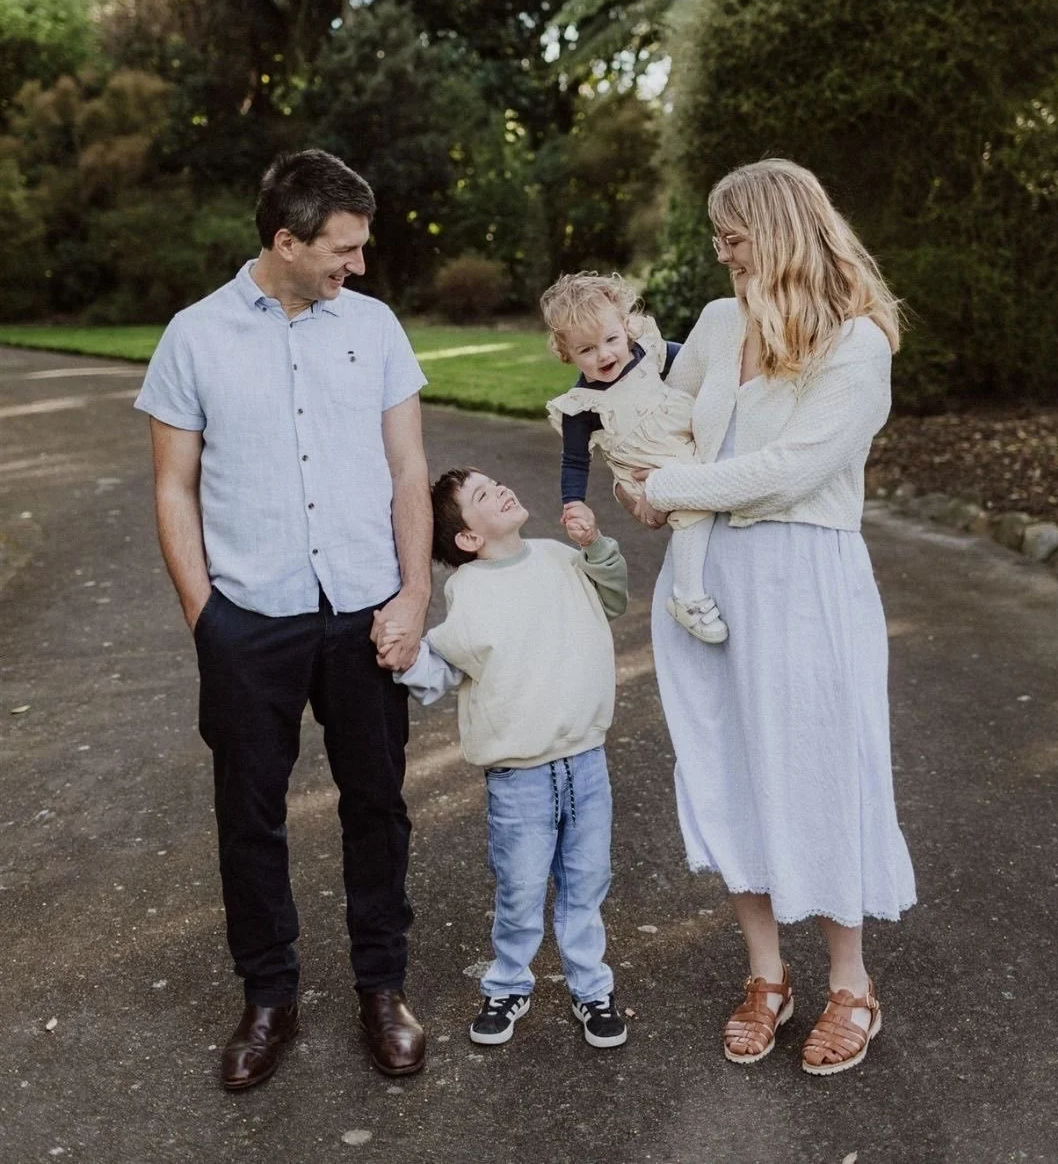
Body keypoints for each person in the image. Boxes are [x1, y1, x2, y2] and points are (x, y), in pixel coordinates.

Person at [134, 149, 432, 1090]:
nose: (357, 264)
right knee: (249, 818)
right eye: (341, 248)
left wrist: (415, 592)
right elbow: (173, 487)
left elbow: (409, 473)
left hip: (363, 613)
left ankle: (383, 990)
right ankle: (269, 997)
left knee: (378, 806)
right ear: (286, 242)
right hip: (249, 621)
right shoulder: (193, 336)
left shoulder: (374, 327)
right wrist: (205, 617)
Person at [621, 159, 916, 1076]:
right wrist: (633, 457)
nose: (721, 251)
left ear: (783, 229)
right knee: (728, 765)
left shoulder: (857, 345)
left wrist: (669, 487)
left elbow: (790, 468)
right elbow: (666, 412)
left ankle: (852, 985)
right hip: (705, 578)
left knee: (824, 766)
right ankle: (765, 975)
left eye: (734, 233)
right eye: (717, 235)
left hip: (804, 578)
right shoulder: (717, 321)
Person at [382, 467, 630, 1049]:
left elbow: (614, 599)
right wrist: (404, 659)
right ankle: (507, 983)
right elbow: (443, 665)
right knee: (519, 889)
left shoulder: (560, 559)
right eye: (482, 496)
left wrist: (595, 546)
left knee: (587, 884)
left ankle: (591, 987)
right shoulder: (468, 593)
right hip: (519, 775)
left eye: (496, 483)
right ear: (468, 539)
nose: (500, 489)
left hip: (586, 759)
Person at [540, 272, 727, 644]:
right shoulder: (582, 405)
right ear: (567, 353)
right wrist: (573, 502)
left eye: (611, 339)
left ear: (626, 327)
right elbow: (575, 460)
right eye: (586, 350)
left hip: (681, 445)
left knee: (716, 493)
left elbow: (697, 364)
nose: (604, 355)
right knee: (694, 509)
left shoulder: (650, 353)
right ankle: (686, 594)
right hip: (642, 470)